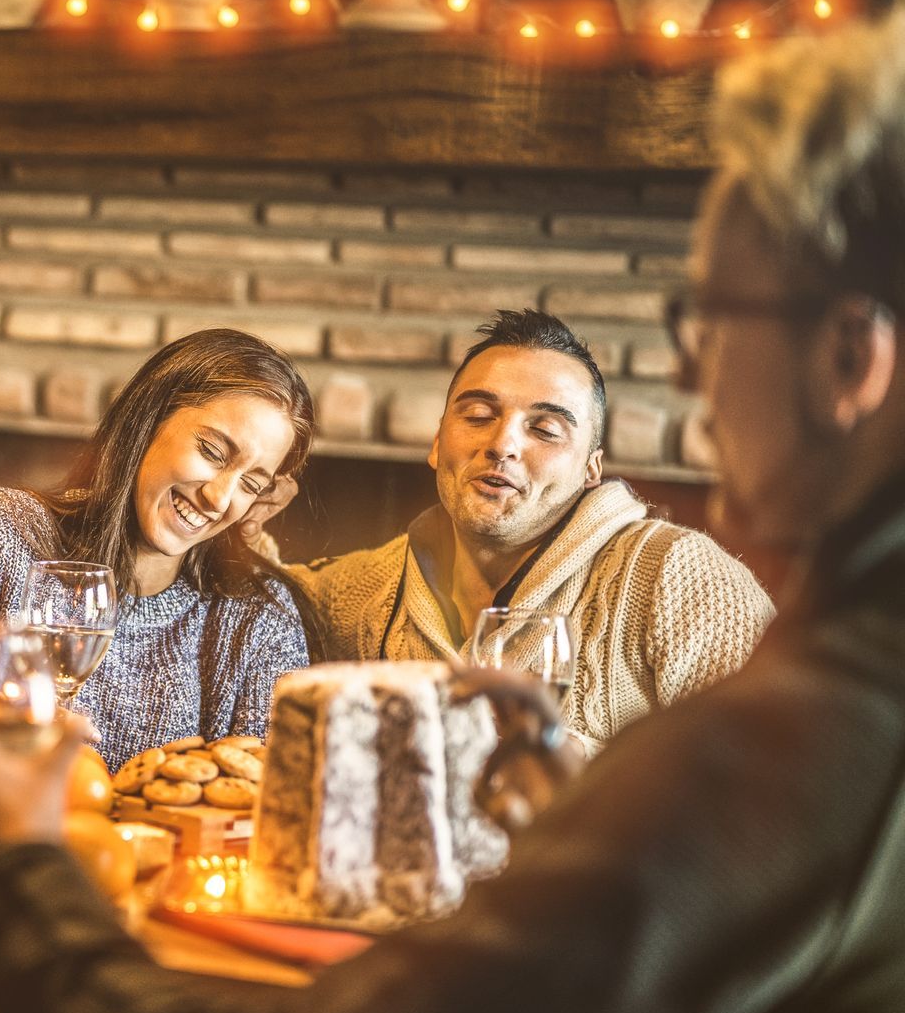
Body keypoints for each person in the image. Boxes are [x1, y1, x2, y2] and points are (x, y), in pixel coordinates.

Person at [0, 9, 905, 1013]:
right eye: (476, 410)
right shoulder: (346, 592)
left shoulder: (794, 731)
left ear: (846, 361)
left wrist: (14, 862)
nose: (693, 376)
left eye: (708, 321)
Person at [262, 308, 771, 751]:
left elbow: (787, 781)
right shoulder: (361, 592)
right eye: (479, 415)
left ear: (591, 470)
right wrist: (242, 516)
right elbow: (256, 595)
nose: (502, 443)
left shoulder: (680, 579)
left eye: (545, 429)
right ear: (438, 443)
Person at [0, 329, 312, 771]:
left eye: (251, 484)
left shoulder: (257, 618)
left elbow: (267, 803)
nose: (219, 498)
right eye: (213, 452)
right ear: (149, 418)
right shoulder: (2, 535)